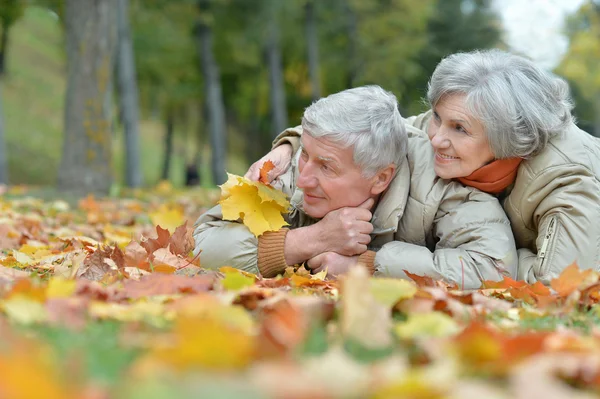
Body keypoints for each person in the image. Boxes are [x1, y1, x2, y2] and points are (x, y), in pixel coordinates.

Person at [248, 49, 600, 285]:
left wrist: (377, 264)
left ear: (508, 139)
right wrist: (289, 144)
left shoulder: (569, 179)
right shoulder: (446, 132)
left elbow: (560, 283)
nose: (434, 138)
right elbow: (376, 131)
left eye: (458, 129)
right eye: (436, 117)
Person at [194, 85, 517, 289]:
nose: (304, 178)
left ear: (380, 177)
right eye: (306, 154)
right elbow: (200, 244)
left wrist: (367, 266)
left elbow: (494, 268)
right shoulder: (286, 167)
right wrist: (309, 240)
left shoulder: (442, 185)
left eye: (327, 167)